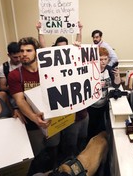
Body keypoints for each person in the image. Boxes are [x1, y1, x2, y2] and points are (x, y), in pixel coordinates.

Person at [37, 21, 88, 162]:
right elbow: (43, 47)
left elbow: (78, 44)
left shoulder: (72, 58)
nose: (61, 50)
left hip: (76, 108)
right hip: (61, 108)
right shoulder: (51, 60)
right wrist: (40, 30)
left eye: (64, 47)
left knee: (76, 140)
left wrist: (79, 29)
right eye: (59, 48)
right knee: (64, 142)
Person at [7, 37, 60, 175]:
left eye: (28, 50)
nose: (24, 54)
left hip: (53, 119)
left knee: (54, 148)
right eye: (21, 51)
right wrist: (34, 118)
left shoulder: (48, 69)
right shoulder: (14, 75)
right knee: (38, 155)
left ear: (36, 52)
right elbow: (20, 100)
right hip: (31, 125)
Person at [87, 47, 121, 139]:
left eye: (105, 59)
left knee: (101, 127)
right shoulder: (90, 70)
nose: (103, 62)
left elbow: (116, 85)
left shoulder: (109, 69)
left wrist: (117, 76)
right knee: (91, 128)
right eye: (100, 59)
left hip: (103, 104)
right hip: (92, 105)